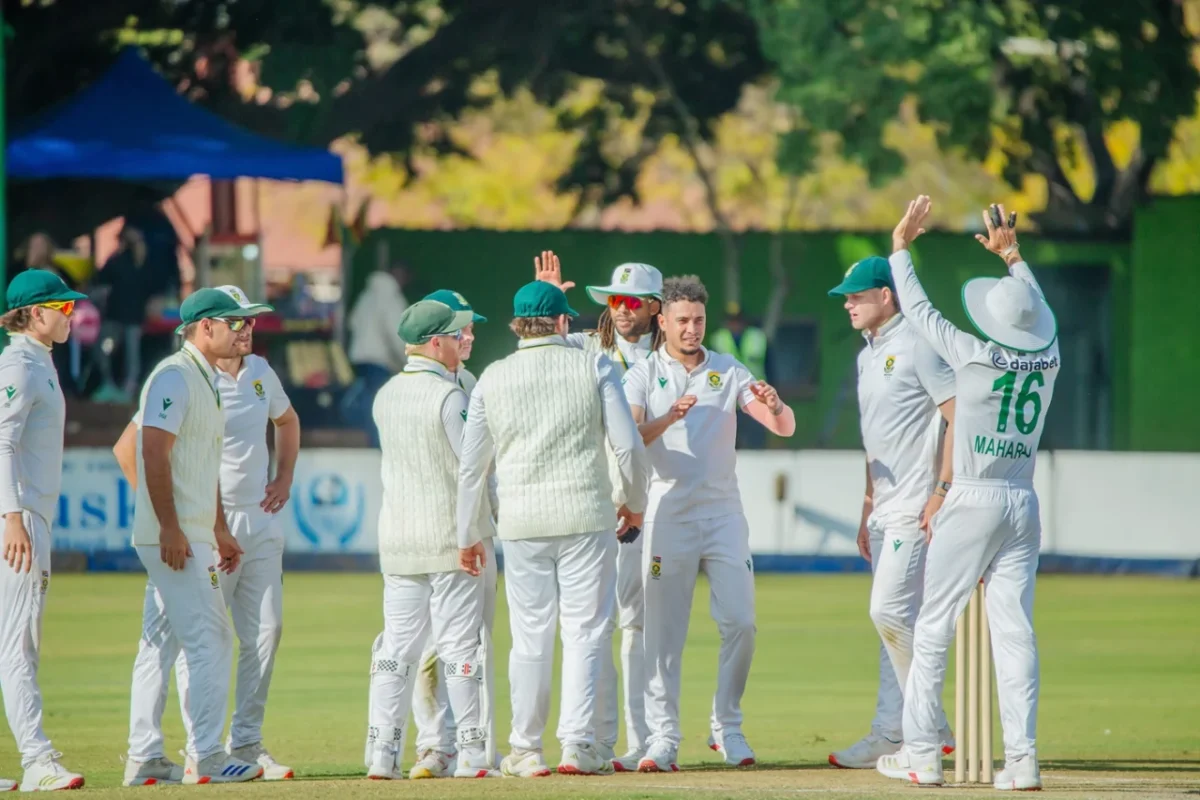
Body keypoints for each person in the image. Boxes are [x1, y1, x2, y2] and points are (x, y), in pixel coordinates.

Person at [875, 197, 1058, 791]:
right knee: (1015, 631)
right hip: (1022, 500)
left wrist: (900, 249)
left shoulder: (974, 353)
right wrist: (1014, 260)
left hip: (972, 496)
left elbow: (921, 311)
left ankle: (923, 755)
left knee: (932, 627)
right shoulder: (1051, 357)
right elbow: (1040, 312)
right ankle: (1023, 761)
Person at [457, 281, 648, 778]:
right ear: (564, 322)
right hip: (587, 515)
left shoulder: (493, 377)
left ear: (516, 326)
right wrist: (635, 502)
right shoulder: (593, 363)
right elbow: (626, 446)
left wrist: (466, 533)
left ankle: (525, 748)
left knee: (531, 636)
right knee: (586, 631)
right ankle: (578, 745)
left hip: (522, 523)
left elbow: (470, 468)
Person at [113, 285, 297, 784]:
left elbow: (201, 466)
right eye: (236, 322)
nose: (247, 330)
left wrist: (215, 526)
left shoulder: (204, 377)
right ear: (206, 327)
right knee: (212, 637)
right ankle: (210, 758)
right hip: (177, 535)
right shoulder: (175, 376)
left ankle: (146, 755)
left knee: (159, 641)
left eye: (248, 322)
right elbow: (148, 452)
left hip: (196, 530)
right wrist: (170, 526)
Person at [621, 275, 796, 773]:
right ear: (663, 321)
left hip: (723, 514)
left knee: (741, 621)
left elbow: (782, 425)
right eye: (682, 321)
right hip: (666, 511)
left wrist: (777, 403)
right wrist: (670, 418)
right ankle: (664, 738)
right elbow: (631, 435)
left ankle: (728, 726)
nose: (692, 329)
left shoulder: (728, 369)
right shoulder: (643, 373)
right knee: (663, 633)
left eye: (698, 319)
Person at [825, 257, 958, 768]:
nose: (849, 304)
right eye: (846, 297)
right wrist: (865, 505)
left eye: (857, 295)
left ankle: (928, 725)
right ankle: (889, 729)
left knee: (888, 613)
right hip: (883, 508)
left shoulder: (919, 344)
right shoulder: (866, 356)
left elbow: (956, 415)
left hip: (916, 508)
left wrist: (942, 490)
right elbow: (873, 440)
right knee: (890, 625)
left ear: (887, 295)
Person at [533, 251, 663, 772]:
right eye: (613, 300)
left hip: (657, 502)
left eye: (631, 300)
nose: (620, 309)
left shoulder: (672, 352)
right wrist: (548, 300)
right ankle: (599, 739)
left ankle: (642, 739)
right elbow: (539, 351)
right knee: (596, 623)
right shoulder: (587, 346)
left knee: (639, 625)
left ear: (653, 307)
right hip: (599, 504)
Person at [364, 299, 499, 781]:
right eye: (456, 334)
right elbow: (472, 470)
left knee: (397, 649)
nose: (463, 341)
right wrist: (471, 535)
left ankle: (382, 754)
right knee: (461, 648)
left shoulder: (384, 395)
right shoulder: (450, 397)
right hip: (448, 542)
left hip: (398, 542)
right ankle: (473, 755)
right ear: (436, 342)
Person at [0, 270, 87, 791]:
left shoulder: (37, 364)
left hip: (27, 514)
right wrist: (12, 518)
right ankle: (36, 759)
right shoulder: (21, 364)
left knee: (13, 641)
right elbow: (1, 442)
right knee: (19, 643)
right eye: (65, 308)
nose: (71, 316)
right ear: (36, 314)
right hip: (21, 518)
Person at [344, 263, 414, 446]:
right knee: (380, 407)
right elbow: (397, 332)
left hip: (359, 358)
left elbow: (352, 322)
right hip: (379, 360)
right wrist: (409, 360)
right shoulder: (391, 297)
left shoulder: (366, 295)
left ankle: (370, 444)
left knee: (367, 404)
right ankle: (379, 447)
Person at [91, 224, 154, 404]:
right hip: (116, 316)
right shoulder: (117, 260)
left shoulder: (141, 262)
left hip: (130, 317)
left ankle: (126, 389)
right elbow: (102, 282)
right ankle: (110, 385)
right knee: (106, 351)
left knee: (129, 356)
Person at [709, 305, 771, 449]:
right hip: (728, 402)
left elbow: (770, 367)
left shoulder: (758, 338)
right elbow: (711, 373)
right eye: (731, 321)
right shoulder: (718, 339)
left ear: (744, 322)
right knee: (728, 445)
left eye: (738, 321)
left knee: (756, 443)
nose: (735, 324)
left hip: (756, 400)